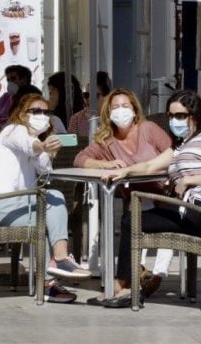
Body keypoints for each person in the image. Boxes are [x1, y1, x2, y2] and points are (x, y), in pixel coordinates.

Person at [98, 90, 201, 308]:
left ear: (194, 116)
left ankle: (125, 286)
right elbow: (150, 165)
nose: (174, 121)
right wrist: (126, 172)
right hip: (188, 212)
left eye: (180, 116)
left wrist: (189, 180)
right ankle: (125, 285)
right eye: (171, 116)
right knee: (134, 218)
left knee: (132, 221)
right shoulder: (181, 146)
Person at [0, 92, 91, 304]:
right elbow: (28, 144)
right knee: (53, 197)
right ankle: (60, 259)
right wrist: (42, 146)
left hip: (13, 206)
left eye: (46, 112)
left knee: (47, 215)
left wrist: (48, 149)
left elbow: (44, 170)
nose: (42, 115)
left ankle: (47, 285)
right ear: (22, 114)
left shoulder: (37, 141)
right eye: (35, 111)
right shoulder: (12, 130)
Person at [73, 88, 175, 297]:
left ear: (135, 110)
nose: (121, 111)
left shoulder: (149, 129)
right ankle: (136, 276)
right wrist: (105, 163)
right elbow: (80, 159)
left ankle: (150, 275)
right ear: (108, 112)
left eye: (125, 106)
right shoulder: (107, 140)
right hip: (137, 200)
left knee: (142, 214)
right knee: (134, 215)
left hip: (165, 193)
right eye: (115, 107)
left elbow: (174, 153)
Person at [68, 71, 112, 137]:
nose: (89, 99)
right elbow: (70, 144)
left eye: (95, 95)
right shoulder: (76, 119)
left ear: (107, 97)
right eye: (86, 95)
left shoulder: (114, 118)